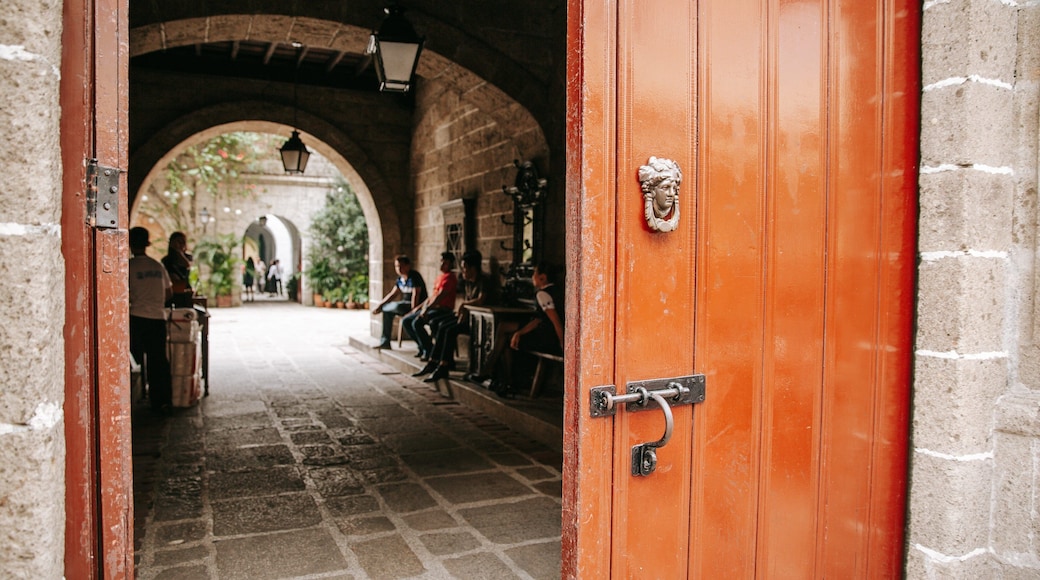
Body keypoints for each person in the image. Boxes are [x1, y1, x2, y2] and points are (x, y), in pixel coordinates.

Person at [413, 250, 498, 382]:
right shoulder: (468, 282)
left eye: (465, 268)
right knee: (441, 325)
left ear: (473, 268)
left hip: (479, 321)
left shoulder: (484, 281)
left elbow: (481, 300)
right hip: (467, 316)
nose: (463, 271)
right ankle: (433, 362)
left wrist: (464, 305)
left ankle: (444, 366)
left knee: (449, 329)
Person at [494, 261, 564, 396]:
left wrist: (563, 343)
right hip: (549, 336)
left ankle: (508, 382)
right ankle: (505, 380)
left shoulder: (542, 294)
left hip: (549, 339)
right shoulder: (556, 290)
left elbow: (555, 321)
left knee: (509, 343)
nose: (532, 277)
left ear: (542, 278)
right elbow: (539, 319)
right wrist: (519, 333)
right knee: (510, 336)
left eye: (534, 274)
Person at [129, 227, 173, 413]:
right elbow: (169, 291)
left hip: (137, 318)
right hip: (157, 318)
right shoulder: (157, 266)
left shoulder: (128, 266)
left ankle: (134, 398)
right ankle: (161, 400)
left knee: (134, 361)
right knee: (158, 361)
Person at [402, 252, 458, 361]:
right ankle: (424, 347)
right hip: (432, 308)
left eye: (445, 263)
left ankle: (429, 351)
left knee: (417, 322)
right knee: (406, 321)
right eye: (441, 262)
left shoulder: (450, 278)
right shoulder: (440, 277)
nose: (442, 265)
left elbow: (440, 297)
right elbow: (432, 297)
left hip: (442, 310)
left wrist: (426, 309)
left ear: (451, 264)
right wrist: (418, 308)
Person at [372, 255, 427, 349]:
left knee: (395, 306)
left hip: (416, 306)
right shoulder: (400, 279)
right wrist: (380, 305)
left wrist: (413, 312)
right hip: (404, 304)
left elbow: (416, 295)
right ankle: (385, 342)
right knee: (387, 310)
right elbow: (393, 294)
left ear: (408, 266)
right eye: (397, 266)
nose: (399, 268)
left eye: (401, 266)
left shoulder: (414, 276)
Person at [162, 231, 193, 306]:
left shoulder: (188, 257)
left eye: (183, 242)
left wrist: (179, 251)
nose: (180, 244)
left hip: (185, 291)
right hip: (171, 291)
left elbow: (188, 265)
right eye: (178, 242)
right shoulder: (166, 260)